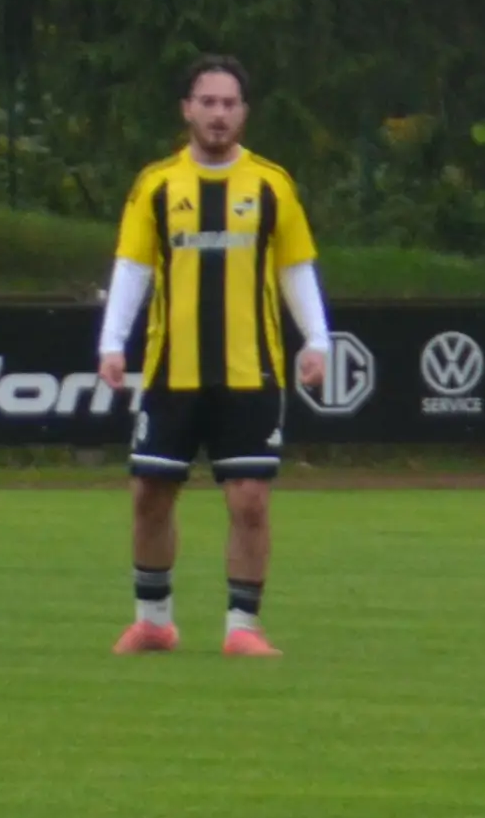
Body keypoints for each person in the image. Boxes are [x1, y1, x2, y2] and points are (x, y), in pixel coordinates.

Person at [98, 55, 330, 657]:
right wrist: (111, 343)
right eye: (208, 102)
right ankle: (154, 620)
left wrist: (318, 339)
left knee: (249, 498)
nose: (219, 114)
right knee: (150, 493)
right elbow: (132, 267)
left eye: (230, 104)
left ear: (244, 113)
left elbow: (295, 267)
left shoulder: (272, 185)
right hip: (171, 372)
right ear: (187, 110)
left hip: (250, 372)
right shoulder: (156, 185)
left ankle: (242, 628)